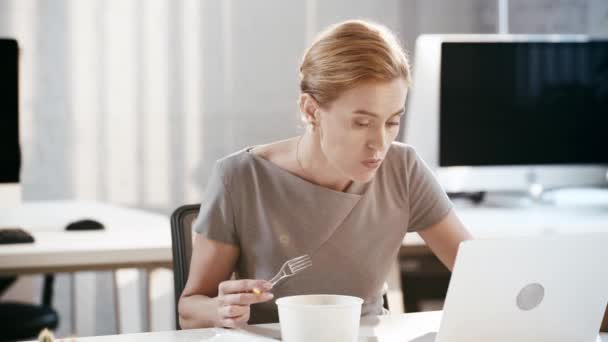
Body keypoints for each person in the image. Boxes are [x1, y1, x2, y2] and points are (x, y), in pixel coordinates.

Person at [178, 19, 472, 329]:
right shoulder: (239, 178)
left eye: (391, 122)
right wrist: (220, 310)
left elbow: (478, 274)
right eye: (361, 123)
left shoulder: (403, 168)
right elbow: (190, 309)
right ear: (310, 111)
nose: (380, 144)